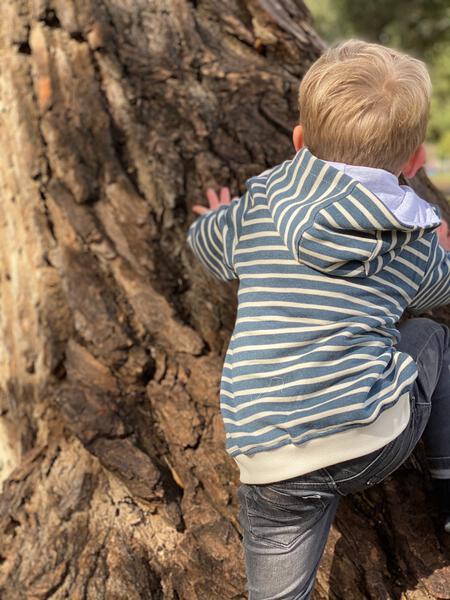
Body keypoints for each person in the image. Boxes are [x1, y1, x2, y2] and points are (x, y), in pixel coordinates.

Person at [186, 39, 450, 599]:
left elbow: (207, 250)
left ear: (299, 140)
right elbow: (437, 291)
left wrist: (215, 218)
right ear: (414, 163)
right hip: (372, 441)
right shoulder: (412, 241)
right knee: (433, 337)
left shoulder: (259, 207)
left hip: (270, 455)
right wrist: (442, 248)